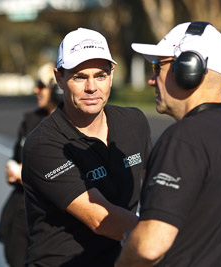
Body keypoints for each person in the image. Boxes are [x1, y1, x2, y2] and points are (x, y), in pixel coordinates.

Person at [116, 21, 221, 267]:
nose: (152, 79)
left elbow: (149, 246)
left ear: (187, 69)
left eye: (157, 66)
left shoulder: (181, 140)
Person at [21, 27, 152, 266]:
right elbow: (102, 219)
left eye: (100, 75)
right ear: (59, 78)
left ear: (112, 74)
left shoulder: (134, 122)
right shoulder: (43, 144)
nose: (92, 87)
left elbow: (156, 189)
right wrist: (172, 239)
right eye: (80, 77)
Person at [0, 62, 62, 267]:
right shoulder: (30, 120)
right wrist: (13, 170)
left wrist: (24, 173)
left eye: (41, 85)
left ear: (57, 89)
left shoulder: (72, 126)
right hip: (21, 212)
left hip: (52, 219)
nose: (36, 90)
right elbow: (15, 158)